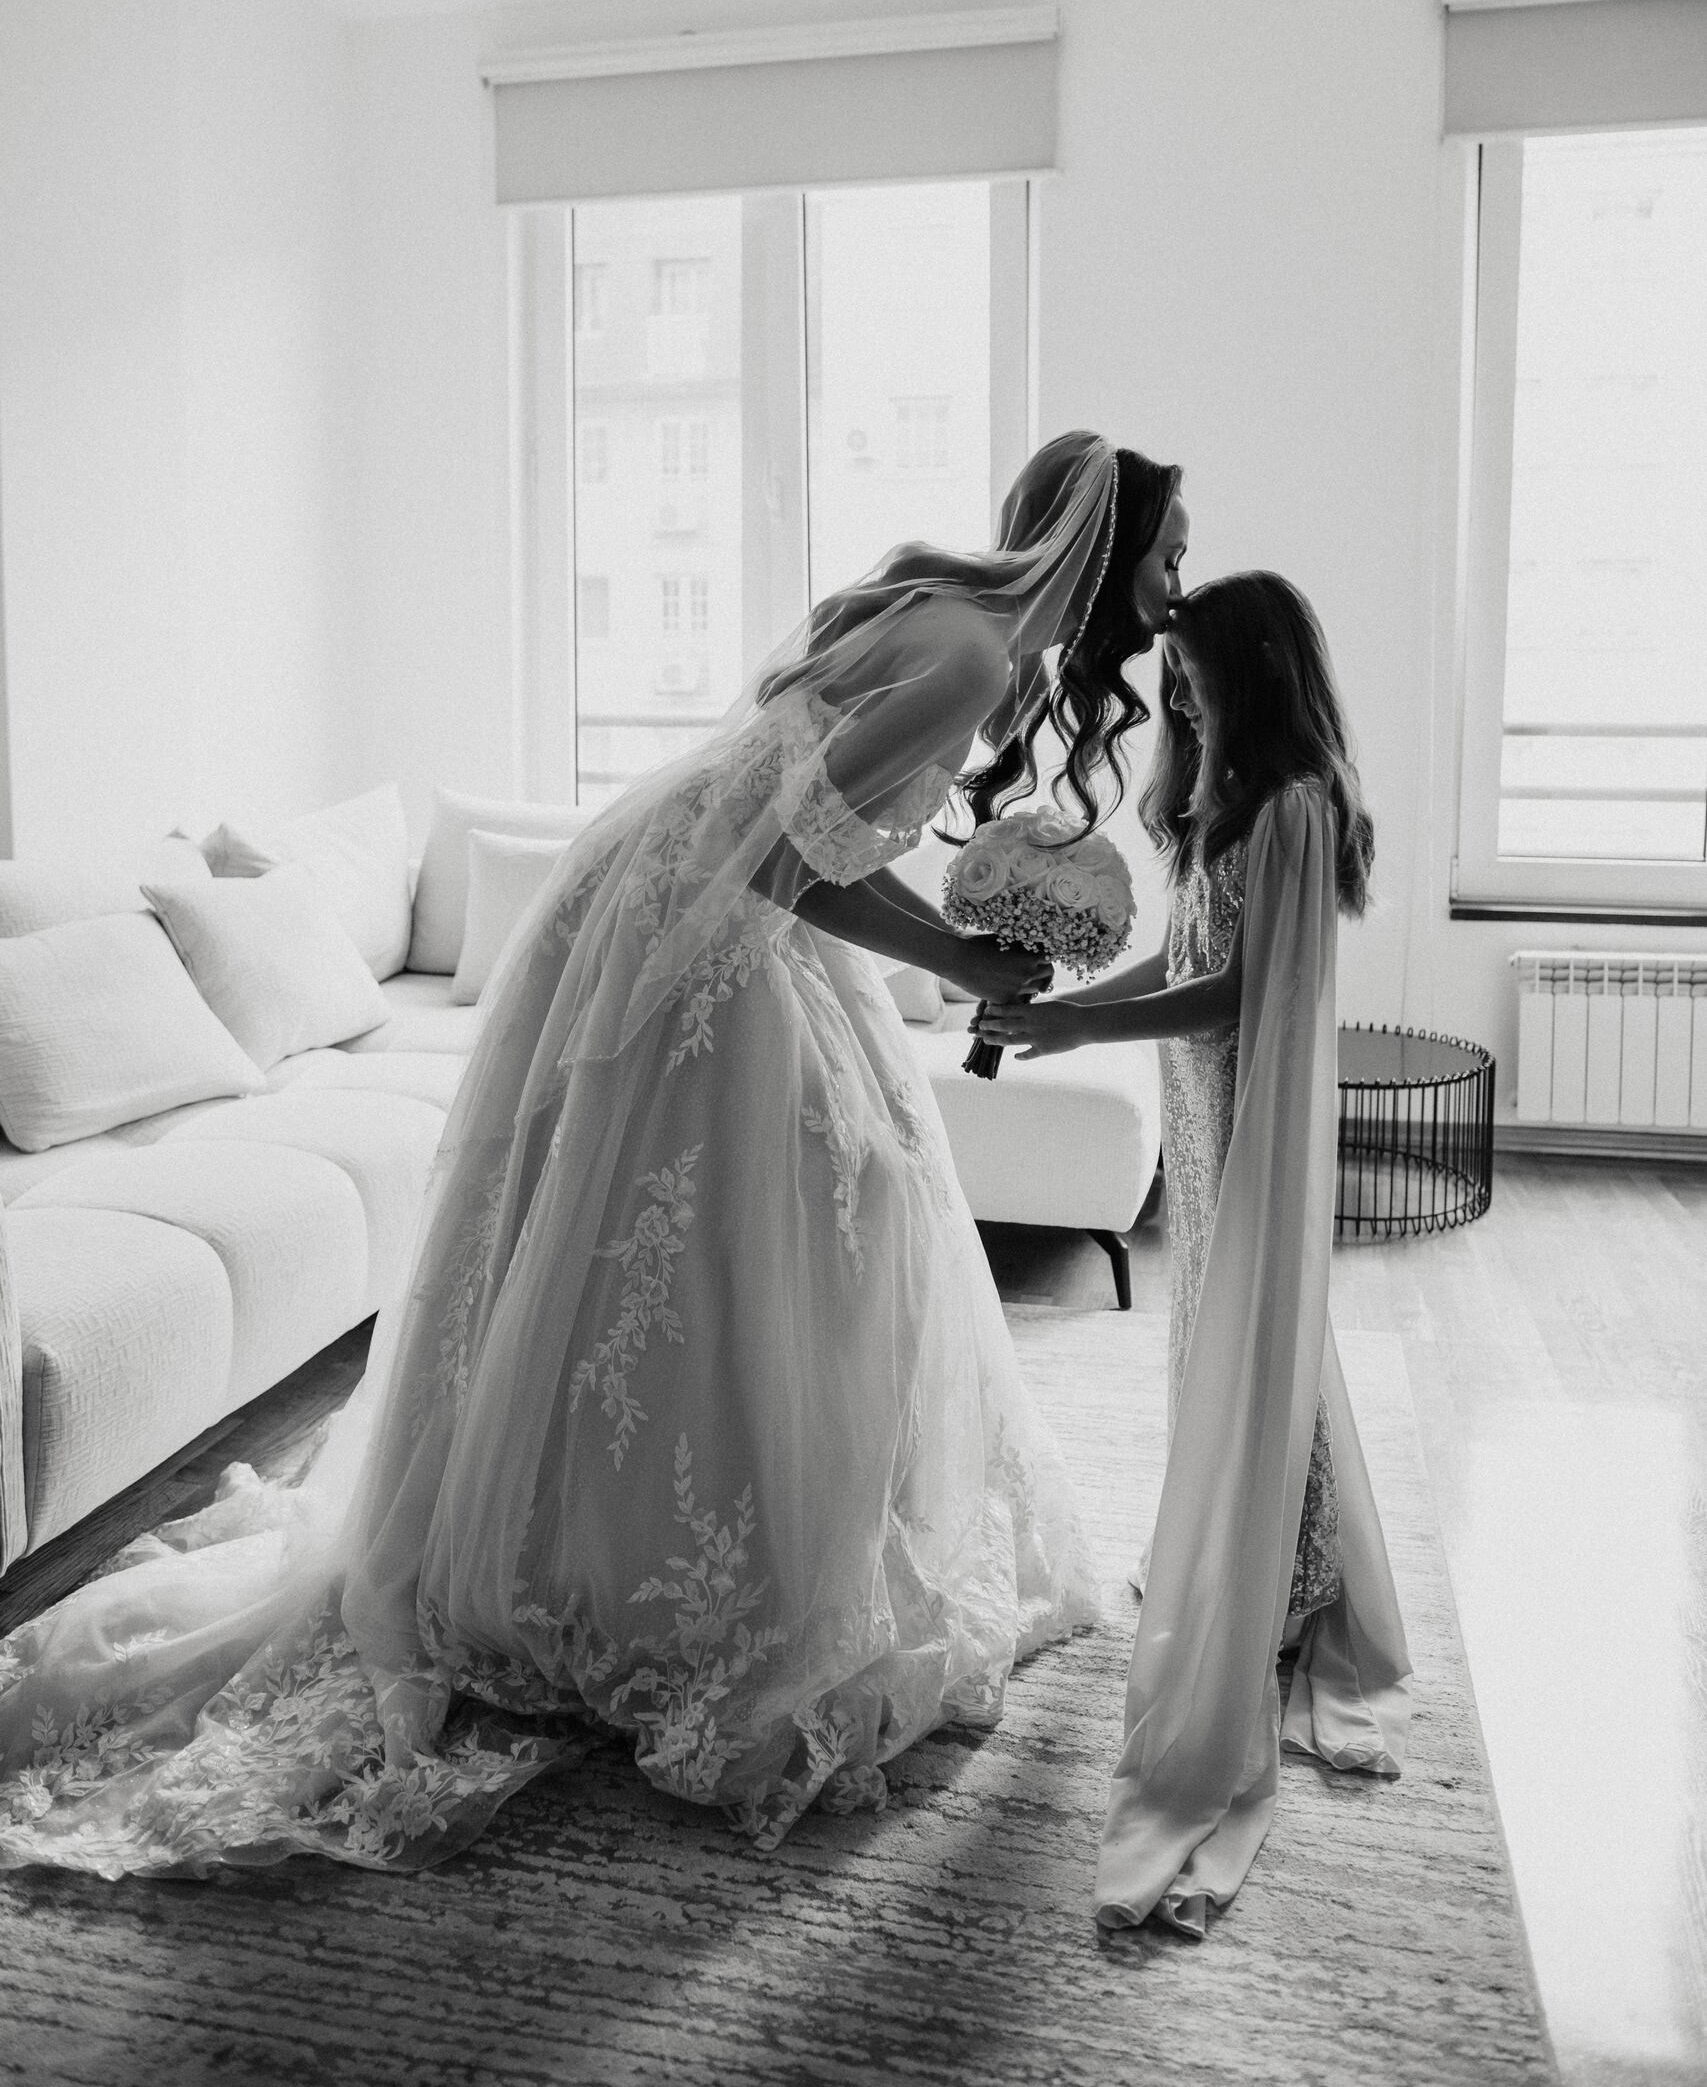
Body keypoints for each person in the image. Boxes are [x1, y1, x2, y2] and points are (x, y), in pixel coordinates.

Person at [0, 432, 1188, 1878]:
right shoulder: (975, 658)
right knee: (782, 1215)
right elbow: (783, 855)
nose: (1176, 589)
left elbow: (801, 828)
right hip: (708, 918)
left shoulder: (949, 627)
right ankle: (662, 1586)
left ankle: (638, 1547)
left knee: (779, 1216)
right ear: (1106, 551)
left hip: (676, 897)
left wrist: (959, 931)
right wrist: (958, 951)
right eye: (1169, 557)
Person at [978, 573, 1411, 1938]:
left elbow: (1233, 990)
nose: (1177, 696)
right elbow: (1180, 955)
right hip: (1201, 1104)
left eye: (1195, 673)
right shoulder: (1220, 792)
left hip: (1244, 1098)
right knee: (1211, 1326)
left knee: (1250, 1323)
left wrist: (1083, 1032)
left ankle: (1282, 1576)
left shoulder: (1294, 806)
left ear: (1253, 671)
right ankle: (1260, 1549)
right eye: (1173, 680)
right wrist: (1063, 1008)